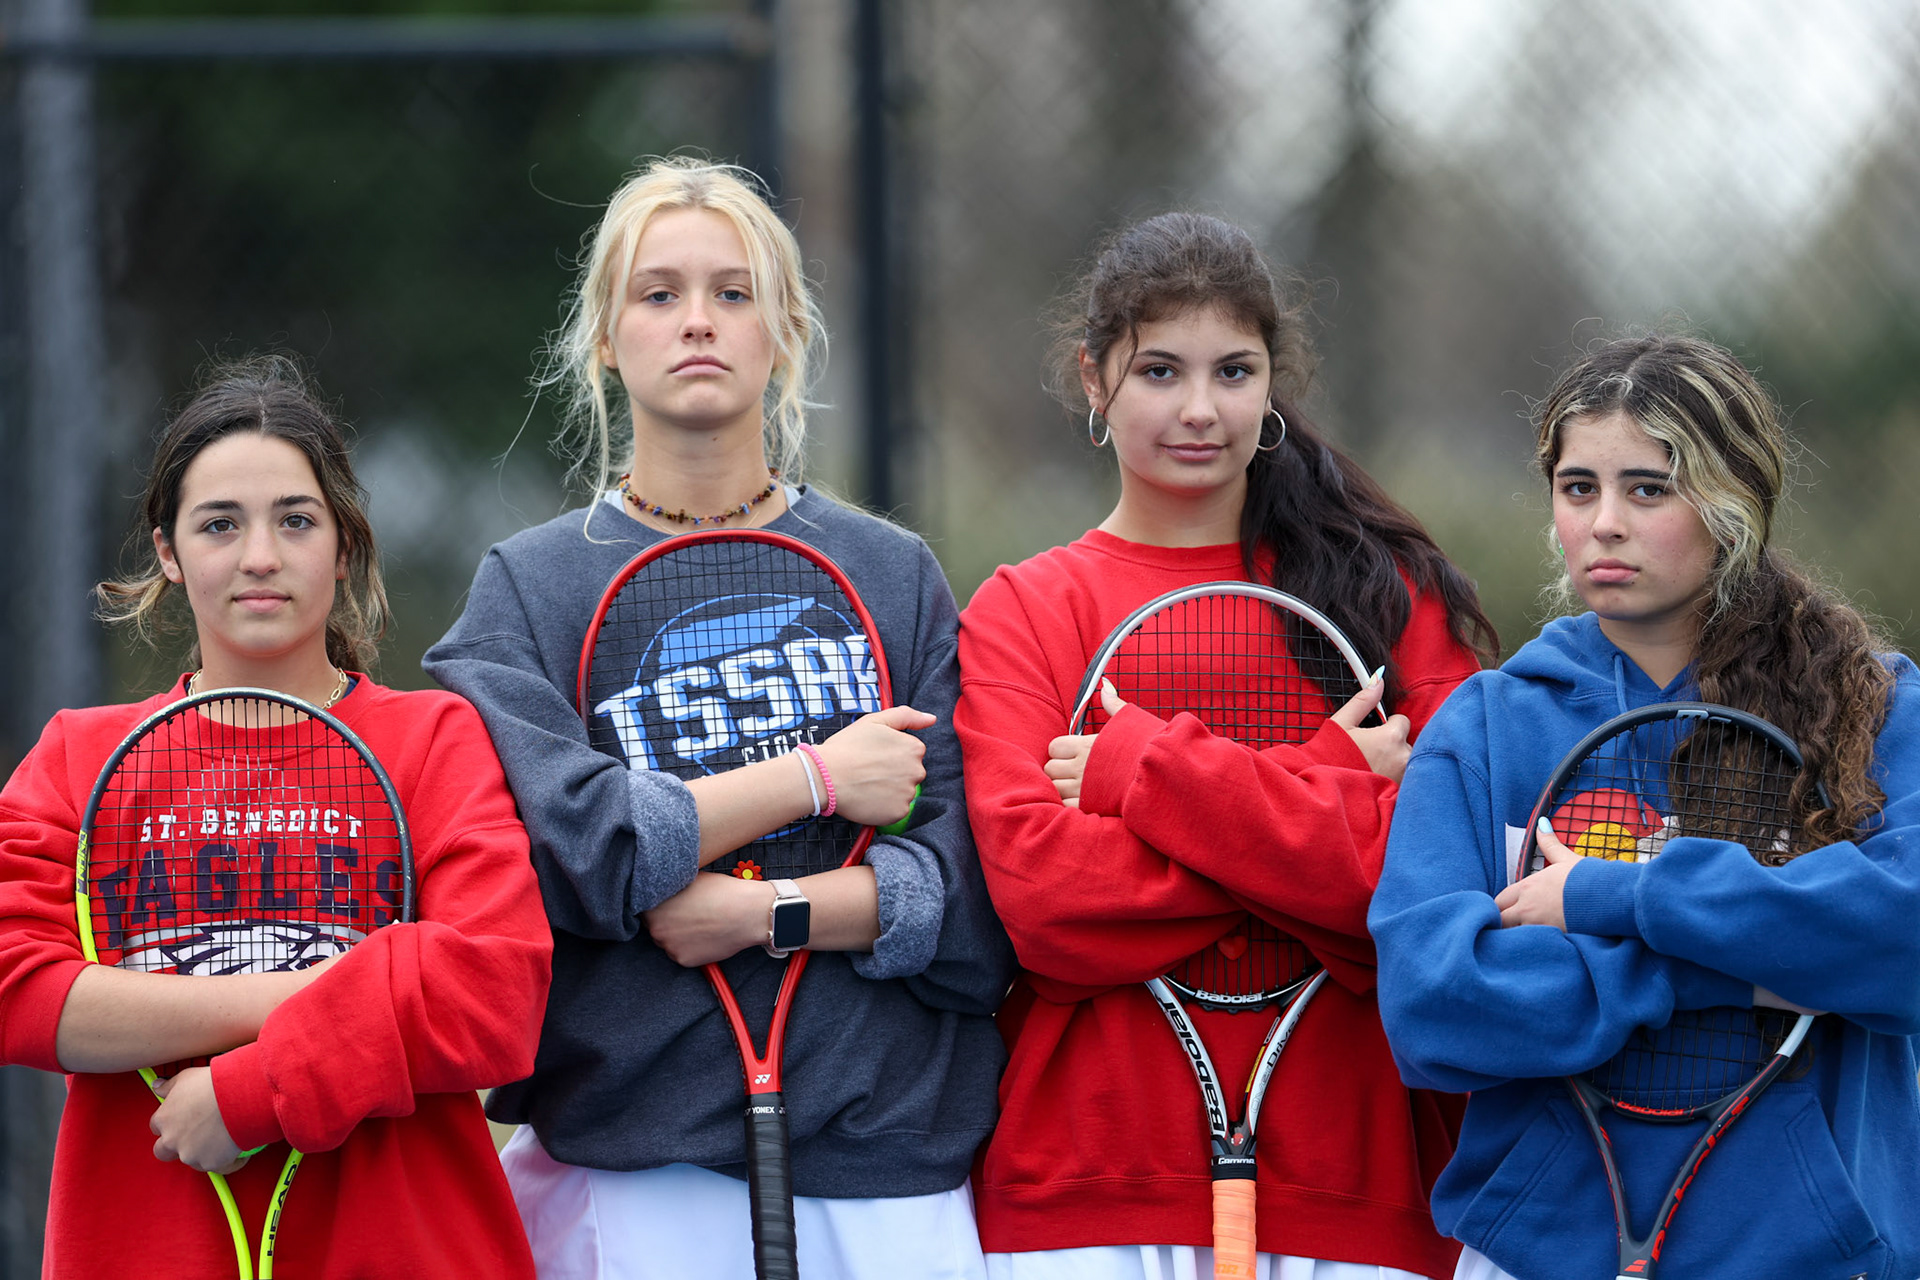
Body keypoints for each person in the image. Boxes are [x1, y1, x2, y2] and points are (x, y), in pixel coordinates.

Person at [423, 155, 1013, 1280]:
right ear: (605, 336)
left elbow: (967, 890)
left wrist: (765, 912)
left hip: (886, 1151)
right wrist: (817, 782)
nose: (698, 321)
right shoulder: (529, 588)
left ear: (783, 331)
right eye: (659, 293)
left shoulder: (894, 574)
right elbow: (570, 852)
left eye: (734, 293)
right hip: (636, 1156)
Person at [954, 211, 1499, 1280]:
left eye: (1233, 371)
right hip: (1084, 1178)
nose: (1199, 408)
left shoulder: (1389, 601)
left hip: (1361, 1178)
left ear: (1272, 384)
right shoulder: (1025, 607)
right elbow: (1046, 902)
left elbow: (1436, 876)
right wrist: (1331, 781)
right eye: (1160, 369)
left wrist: (1134, 772)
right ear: (1093, 379)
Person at [1368, 333, 1920, 1280]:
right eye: (1579, 488)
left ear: (1733, 504)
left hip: (1816, 1254)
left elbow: (1904, 941)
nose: (1605, 523)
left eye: (1648, 489)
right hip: (1538, 1252)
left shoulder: (1876, 705)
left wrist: (1612, 901)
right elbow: (1435, 1008)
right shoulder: (1492, 724)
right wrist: (1747, 967)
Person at [0, 355, 552, 1278]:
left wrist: (256, 1087)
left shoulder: (433, 739)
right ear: (169, 553)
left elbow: (494, 997)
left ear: (344, 548)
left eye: (296, 521)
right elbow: (20, 986)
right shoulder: (76, 755)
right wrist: (347, 988)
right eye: (220, 524)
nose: (261, 556)